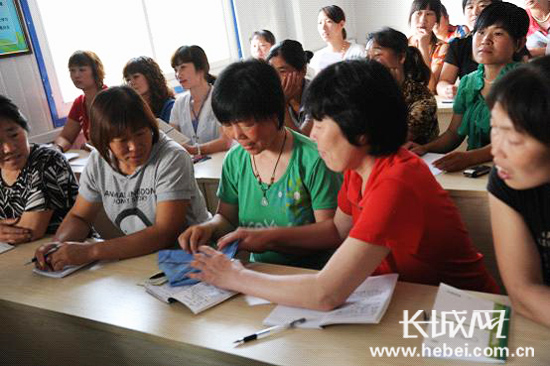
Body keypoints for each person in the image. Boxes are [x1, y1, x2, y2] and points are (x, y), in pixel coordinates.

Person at [184, 60, 499, 310]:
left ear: (360, 130)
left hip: (464, 312)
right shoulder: (358, 168)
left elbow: (325, 293)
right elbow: (337, 230)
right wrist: (262, 238)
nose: (314, 134)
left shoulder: (397, 182)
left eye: (320, 123)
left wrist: (235, 275)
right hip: (406, 301)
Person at [179, 59, 342, 269]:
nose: (238, 135)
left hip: (313, 274)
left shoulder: (313, 160)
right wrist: (208, 228)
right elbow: (227, 219)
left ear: (274, 113)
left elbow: (331, 233)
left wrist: (270, 238)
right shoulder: (235, 160)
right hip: (259, 273)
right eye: (228, 124)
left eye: (248, 123)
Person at [34, 86, 210, 272]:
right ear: (104, 141)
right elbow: (80, 216)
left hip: (191, 258)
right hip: (143, 261)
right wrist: (57, 248)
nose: (134, 146)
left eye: (141, 133)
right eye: (122, 140)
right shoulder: (98, 161)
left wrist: (91, 251)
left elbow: (164, 233)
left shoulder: (172, 157)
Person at [410, 2, 529, 172]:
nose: (485, 40)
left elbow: (516, 139)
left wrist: (470, 157)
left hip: (517, 171)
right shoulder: (468, 82)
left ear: (519, 43)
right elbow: (453, 134)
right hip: (477, 169)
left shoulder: (526, 82)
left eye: (498, 33)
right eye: (480, 32)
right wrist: (425, 148)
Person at [486, 56, 550, 328]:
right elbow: (523, 290)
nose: (495, 152)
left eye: (513, 139)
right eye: (494, 129)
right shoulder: (506, 178)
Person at [0, 95, 78, 244]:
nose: (9, 148)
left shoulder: (48, 161)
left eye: (14, 135)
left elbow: (29, 231)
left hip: (66, 251)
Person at [367, 28, 439, 144]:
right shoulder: (370, 92)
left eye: (377, 55)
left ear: (401, 57)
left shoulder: (422, 99)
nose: (370, 62)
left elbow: (396, 140)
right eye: (368, 56)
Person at [169, 45, 232, 155]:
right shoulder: (179, 103)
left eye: (183, 67)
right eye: (176, 70)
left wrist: (195, 150)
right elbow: (172, 138)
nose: (178, 74)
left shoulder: (220, 97)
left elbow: (226, 141)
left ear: (200, 69)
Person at [436, 0, 502, 99]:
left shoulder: (508, 41)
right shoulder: (458, 45)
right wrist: (447, 89)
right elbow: (443, 82)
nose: (475, 12)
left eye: (482, 5)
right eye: (470, 7)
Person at [53, 50, 106, 152]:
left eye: (82, 70)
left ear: (96, 71)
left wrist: (91, 145)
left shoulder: (112, 97)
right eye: (72, 70)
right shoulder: (79, 102)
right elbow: (66, 137)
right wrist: (57, 149)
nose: (76, 75)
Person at [266, 40, 314, 136]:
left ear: (302, 71)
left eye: (282, 71)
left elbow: (302, 143)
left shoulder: (319, 95)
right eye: (272, 72)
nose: (276, 78)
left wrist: (282, 104)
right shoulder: (271, 97)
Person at [309, 5, 366, 75]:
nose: (323, 27)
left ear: (341, 24)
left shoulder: (358, 51)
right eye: (320, 23)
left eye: (328, 21)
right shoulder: (317, 57)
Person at [407, 0, 449, 93]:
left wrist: (423, 46)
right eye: (418, 13)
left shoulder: (442, 47)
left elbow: (430, 87)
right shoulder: (403, 45)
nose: (423, 20)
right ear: (411, 17)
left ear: (436, 20)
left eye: (429, 14)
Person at [123, 56, 175, 122]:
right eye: (128, 80)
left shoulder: (170, 106)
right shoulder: (133, 109)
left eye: (136, 77)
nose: (131, 83)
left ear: (150, 77)